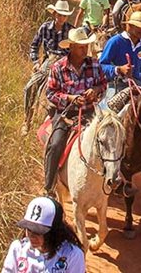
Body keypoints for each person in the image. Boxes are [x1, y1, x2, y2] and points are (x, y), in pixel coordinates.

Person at [42, 27, 107, 195]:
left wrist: (96, 90)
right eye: (81, 46)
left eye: (86, 46)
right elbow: (50, 93)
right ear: (71, 47)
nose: (85, 49)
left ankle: (114, 178)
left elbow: (103, 84)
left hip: (90, 112)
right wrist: (70, 98)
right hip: (66, 114)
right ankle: (48, 187)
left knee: (110, 137)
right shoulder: (58, 67)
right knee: (55, 144)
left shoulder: (94, 64)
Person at [23, 0, 74, 135]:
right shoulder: (45, 28)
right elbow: (34, 46)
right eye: (59, 14)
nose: (61, 18)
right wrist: (36, 62)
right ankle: (27, 120)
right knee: (30, 87)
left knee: (75, 89)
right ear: (54, 14)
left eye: (64, 15)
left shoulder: (71, 30)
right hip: (48, 61)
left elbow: (75, 52)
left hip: (64, 63)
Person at [3, 196, 85, 273]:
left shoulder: (72, 255)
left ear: (54, 232)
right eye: (29, 229)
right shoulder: (18, 249)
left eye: (38, 232)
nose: (31, 236)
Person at [99, 10, 141, 101]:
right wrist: (119, 69)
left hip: (137, 84)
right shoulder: (115, 42)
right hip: (116, 84)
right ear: (130, 26)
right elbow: (101, 66)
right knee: (109, 111)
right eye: (139, 27)